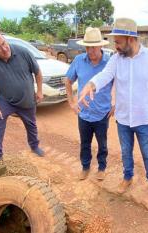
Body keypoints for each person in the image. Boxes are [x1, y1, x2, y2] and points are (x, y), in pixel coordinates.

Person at [78, 18, 148, 203]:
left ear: (130, 39)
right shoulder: (116, 59)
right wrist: (91, 84)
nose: (115, 46)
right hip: (122, 119)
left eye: (118, 42)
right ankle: (127, 177)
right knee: (126, 152)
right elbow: (105, 76)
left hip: (144, 119)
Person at [0, 28, 44, 168]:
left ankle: (34, 146)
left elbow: (38, 73)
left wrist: (39, 91)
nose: (4, 48)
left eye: (4, 43)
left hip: (27, 98)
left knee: (31, 124)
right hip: (5, 99)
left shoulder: (22, 52)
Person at [65, 27, 114, 181]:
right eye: (87, 47)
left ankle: (101, 167)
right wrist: (71, 102)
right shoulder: (79, 60)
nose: (90, 50)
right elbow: (68, 80)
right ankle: (85, 167)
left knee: (102, 144)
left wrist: (116, 103)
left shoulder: (110, 63)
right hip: (84, 113)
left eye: (93, 46)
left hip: (102, 114)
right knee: (85, 143)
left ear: (101, 46)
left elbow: (121, 84)